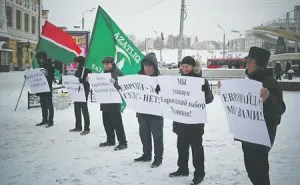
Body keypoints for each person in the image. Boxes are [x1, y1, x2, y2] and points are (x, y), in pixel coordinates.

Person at [219, 47, 286, 185]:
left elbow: (280, 108)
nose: (247, 64)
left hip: (261, 138)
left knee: (259, 174)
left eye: (250, 61)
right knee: (252, 171)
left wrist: (268, 98)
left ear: (257, 63)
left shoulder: (270, 82)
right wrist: (225, 89)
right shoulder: (250, 80)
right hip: (248, 136)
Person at [169, 56, 214, 185]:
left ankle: (199, 173)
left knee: (196, 149)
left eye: (188, 66)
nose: (185, 68)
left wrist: (205, 92)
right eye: (183, 66)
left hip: (195, 122)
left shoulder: (201, 81)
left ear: (193, 67)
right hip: (180, 120)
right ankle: (182, 169)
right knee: (181, 147)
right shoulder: (177, 81)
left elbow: (209, 99)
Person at [134, 53, 164, 168]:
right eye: (145, 66)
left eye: (150, 66)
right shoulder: (138, 78)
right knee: (144, 135)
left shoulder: (160, 80)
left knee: (157, 137)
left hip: (156, 114)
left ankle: (158, 158)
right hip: (142, 113)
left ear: (155, 66)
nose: (147, 68)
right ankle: (146, 155)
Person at [99, 57, 127, 151]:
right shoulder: (104, 73)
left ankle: (123, 142)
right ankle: (110, 140)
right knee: (106, 122)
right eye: (105, 64)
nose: (106, 66)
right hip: (105, 101)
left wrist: (115, 82)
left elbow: (124, 84)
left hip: (114, 102)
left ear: (112, 63)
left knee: (117, 123)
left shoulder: (117, 72)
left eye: (108, 64)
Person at [69, 56, 91, 135]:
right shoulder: (78, 71)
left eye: (77, 62)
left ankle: (86, 128)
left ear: (81, 62)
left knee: (84, 109)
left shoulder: (87, 70)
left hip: (84, 91)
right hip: (77, 92)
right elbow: (75, 80)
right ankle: (78, 126)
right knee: (77, 108)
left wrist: (84, 80)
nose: (76, 64)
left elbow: (89, 80)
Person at [35, 51, 55, 128]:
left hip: (47, 88)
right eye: (38, 58)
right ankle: (44, 120)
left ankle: (50, 121)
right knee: (43, 104)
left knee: (49, 105)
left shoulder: (50, 65)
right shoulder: (41, 65)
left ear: (43, 57)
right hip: (41, 88)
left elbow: (52, 78)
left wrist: (47, 74)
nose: (39, 60)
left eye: (40, 58)